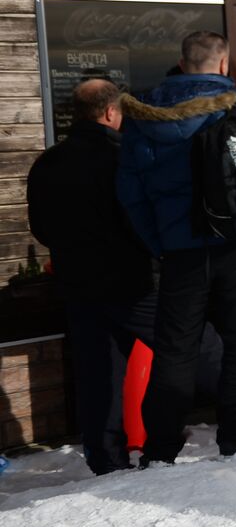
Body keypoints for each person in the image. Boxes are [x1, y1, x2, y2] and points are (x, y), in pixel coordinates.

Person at [117, 32, 236, 462]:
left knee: (175, 348)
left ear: (181, 64)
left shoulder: (144, 116)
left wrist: (160, 243)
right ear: (223, 64)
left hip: (180, 252)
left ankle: (161, 447)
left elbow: (131, 194)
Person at [26, 78, 154, 475]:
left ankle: (105, 458)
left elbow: (40, 227)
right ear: (112, 112)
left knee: (98, 371)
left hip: (77, 280)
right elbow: (141, 220)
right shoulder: (123, 156)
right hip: (130, 279)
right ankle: (181, 433)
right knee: (185, 344)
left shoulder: (48, 162)